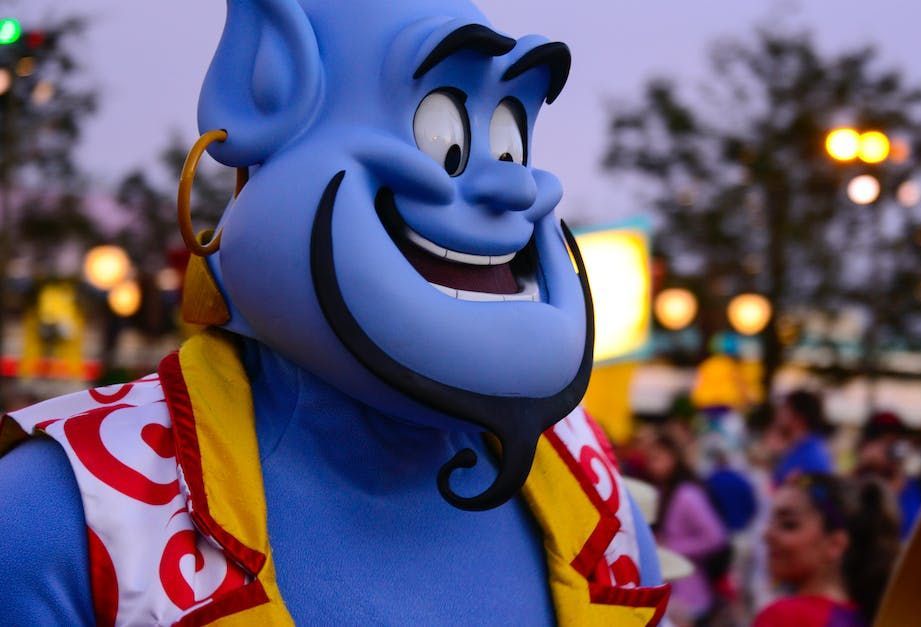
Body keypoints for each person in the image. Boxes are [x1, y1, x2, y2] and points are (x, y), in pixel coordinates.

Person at [0, 2, 668, 624]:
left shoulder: (593, 491)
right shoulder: (63, 514)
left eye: (511, 138)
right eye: (445, 138)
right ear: (262, 88)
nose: (511, 185)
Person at [755, 474, 900, 627]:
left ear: (835, 544)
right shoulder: (865, 619)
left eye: (789, 525)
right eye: (771, 522)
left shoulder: (784, 617)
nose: (767, 535)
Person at [644, 431, 731, 625]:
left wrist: (671, 546)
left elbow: (716, 537)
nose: (651, 465)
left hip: (690, 594)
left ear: (673, 458)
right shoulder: (664, 491)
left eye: (657, 458)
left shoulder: (687, 495)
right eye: (649, 459)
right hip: (675, 591)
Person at [768, 390, 834, 485]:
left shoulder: (812, 456)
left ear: (799, 417)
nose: (778, 414)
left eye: (785, 409)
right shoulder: (799, 447)